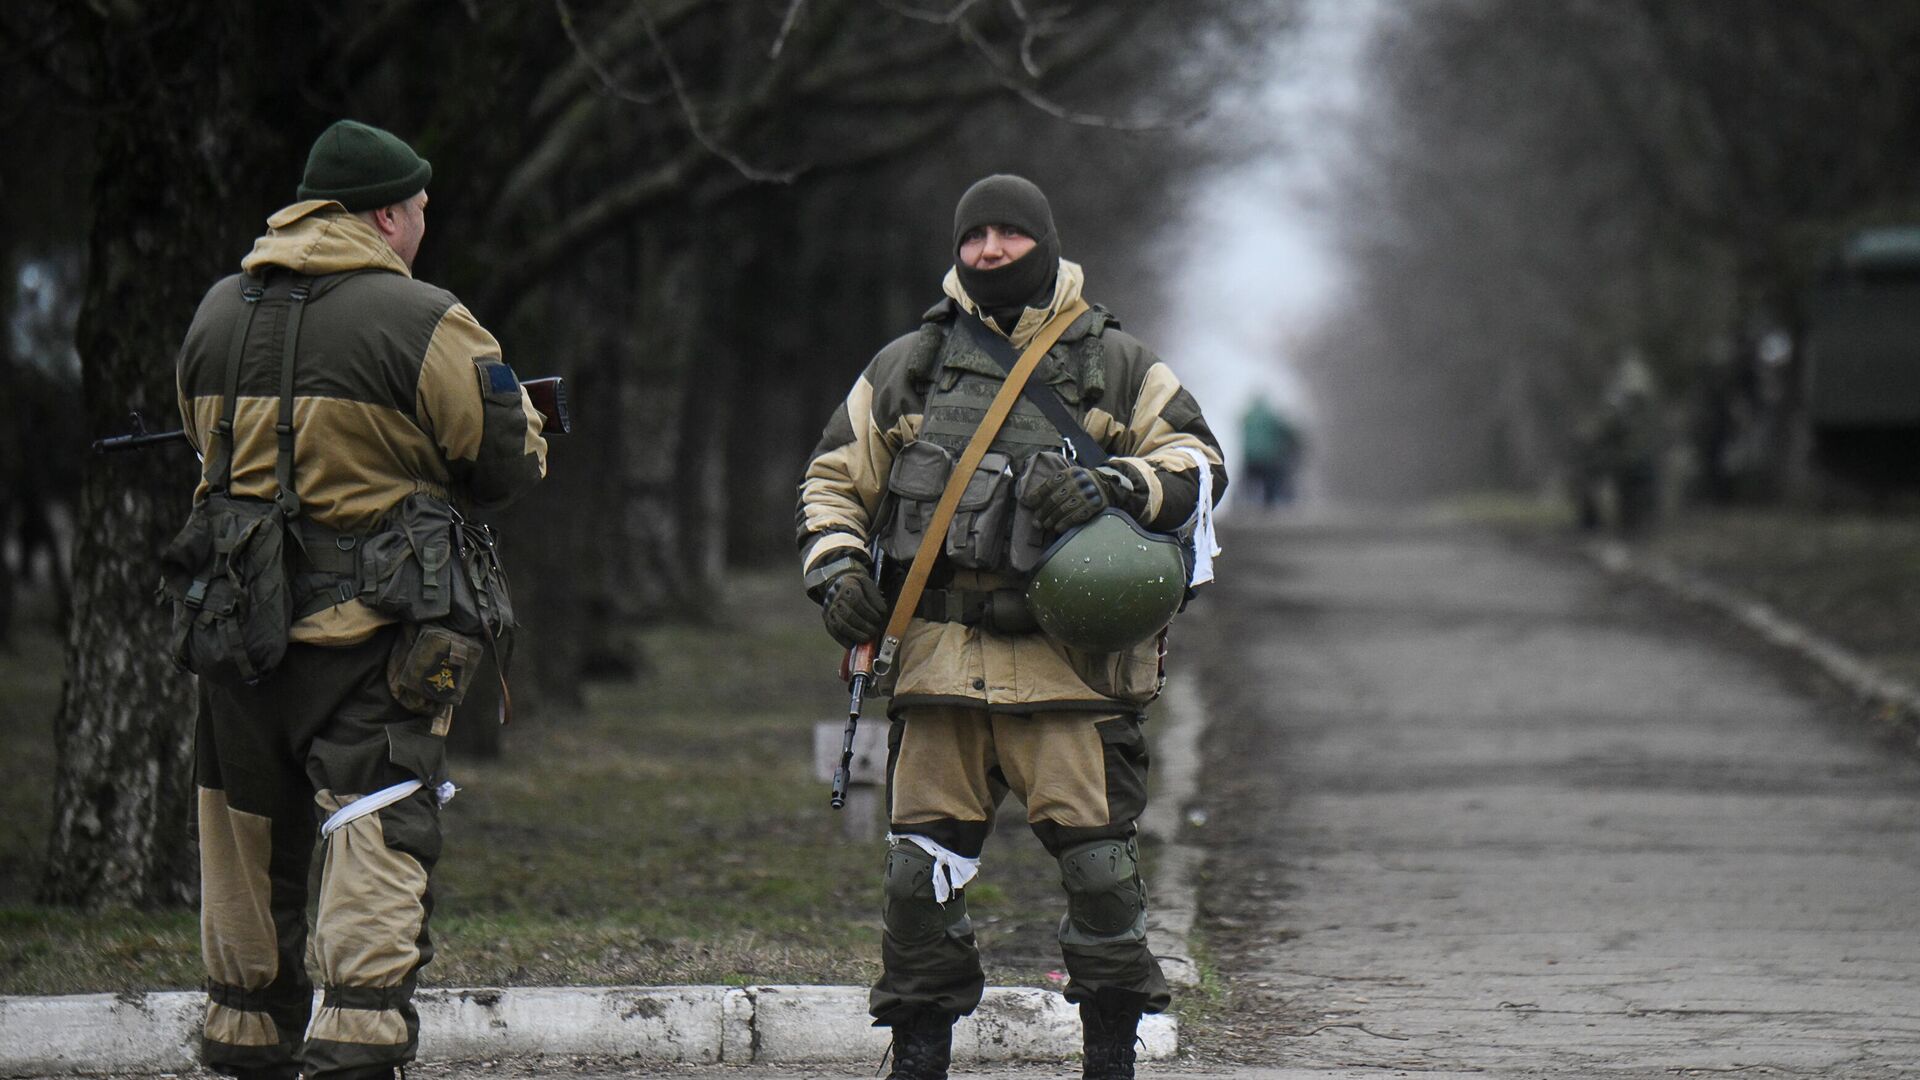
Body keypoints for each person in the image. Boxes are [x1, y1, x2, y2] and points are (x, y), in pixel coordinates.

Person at [796, 174, 1226, 1080]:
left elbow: (1197, 464)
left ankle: (1110, 1059)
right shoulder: (907, 366)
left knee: (1103, 881)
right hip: (941, 669)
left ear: (1046, 241)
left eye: (1010, 233)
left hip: (1073, 673)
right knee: (917, 885)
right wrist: (836, 573)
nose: (990, 249)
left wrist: (1113, 487)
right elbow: (834, 480)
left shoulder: (1115, 362)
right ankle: (919, 1061)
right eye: (976, 234)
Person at [174, 119, 548, 1080]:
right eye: (420, 208)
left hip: (235, 630)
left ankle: (246, 1033)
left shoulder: (218, 311)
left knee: (242, 834)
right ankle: (356, 1042)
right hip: (375, 633)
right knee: (375, 821)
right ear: (385, 214)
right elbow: (505, 458)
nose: (424, 224)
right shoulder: (424, 317)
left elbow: (201, 442)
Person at [1239, 394, 1303, 508]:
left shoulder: (1248, 417)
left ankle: (1246, 506)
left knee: (1249, 484)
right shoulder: (1272, 417)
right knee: (1271, 483)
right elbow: (1286, 432)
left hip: (1250, 458)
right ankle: (1268, 509)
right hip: (1268, 458)